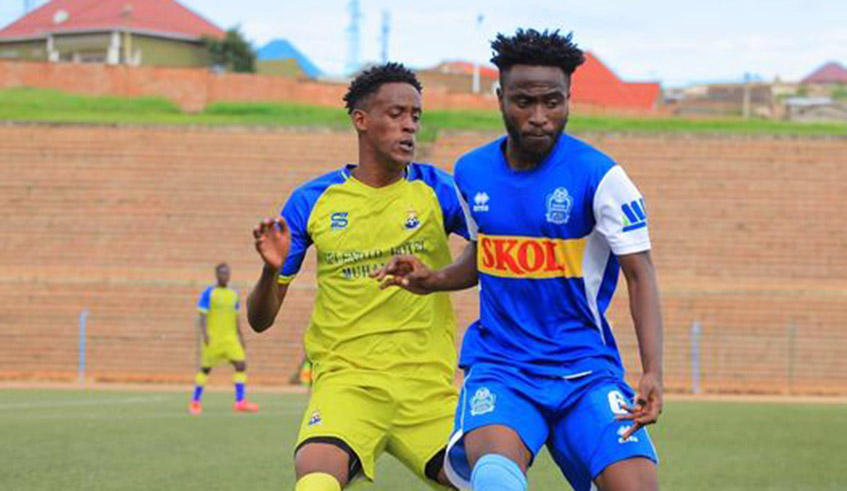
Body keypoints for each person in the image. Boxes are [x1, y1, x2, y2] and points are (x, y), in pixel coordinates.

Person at [373, 29, 663, 491]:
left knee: (636, 486)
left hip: (585, 369)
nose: (539, 117)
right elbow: (482, 256)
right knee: (494, 479)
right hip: (502, 369)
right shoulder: (472, 171)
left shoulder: (601, 177)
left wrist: (651, 371)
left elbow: (640, 274)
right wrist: (433, 279)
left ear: (569, 98)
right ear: (500, 97)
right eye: (524, 102)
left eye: (553, 102)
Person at [247, 63, 469, 490]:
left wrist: (437, 277)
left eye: (416, 116)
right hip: (346, 382)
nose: (409, 126)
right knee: (315, 474)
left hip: (426, 386)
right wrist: (269, 271)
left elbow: (489, 248)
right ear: (361, 120)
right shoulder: (312, 200)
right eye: (396, 114)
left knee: (489, 479)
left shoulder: (439, 191)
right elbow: (260, 320)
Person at [189, 263, 258, 415]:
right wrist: (205, 334)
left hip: (231, 339)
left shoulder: (234, 294)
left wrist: (241, 336)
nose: (224, 276)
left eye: (227, 273)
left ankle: (240, 401)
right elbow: (202, 315)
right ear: (216, 274)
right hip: (213, 339)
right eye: (221, 273)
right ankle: (195, 401)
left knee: (241, 365)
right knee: (205, 369)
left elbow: (236, 318)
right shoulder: (209, 293)